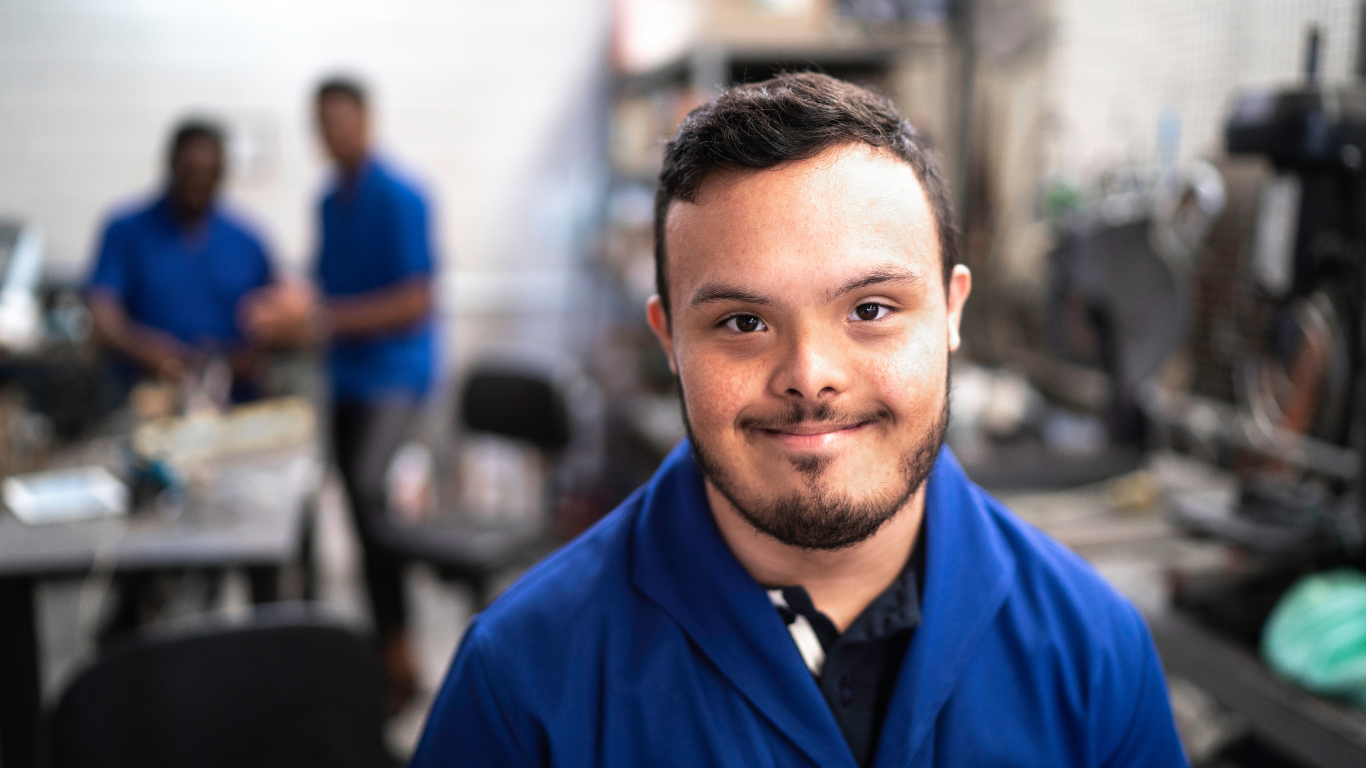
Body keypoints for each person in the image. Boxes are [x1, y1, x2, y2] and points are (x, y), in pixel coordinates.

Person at [412, 73, 1186, 766]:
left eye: (872, 309)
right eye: (744, 323)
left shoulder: (1095, 655)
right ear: (669, 342)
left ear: (951, 313)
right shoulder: (523, 682)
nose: (810, 376)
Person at [246, 77, 436, 713]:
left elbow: (415, 300)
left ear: (366, 120)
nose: (332, 133)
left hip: (396, 376)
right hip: (347, 376)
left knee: (368, 493)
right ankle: (337, 650)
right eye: (321, 123)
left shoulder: (402, 196)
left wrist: (323, 321)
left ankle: (401, 651)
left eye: (342, 119)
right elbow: (324, 285)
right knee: (327, 503)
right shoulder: (328, 200)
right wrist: (286, 306)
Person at [87, 120, 272, 402]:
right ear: (171, 165)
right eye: (191, 170)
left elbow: (276, 315)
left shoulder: (247, 241)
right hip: (145, 399)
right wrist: (144, 349)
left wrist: (241, 359)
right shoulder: (127, 231)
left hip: (233, 402)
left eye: (210, 172)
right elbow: (102, 311)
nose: (199, 181)